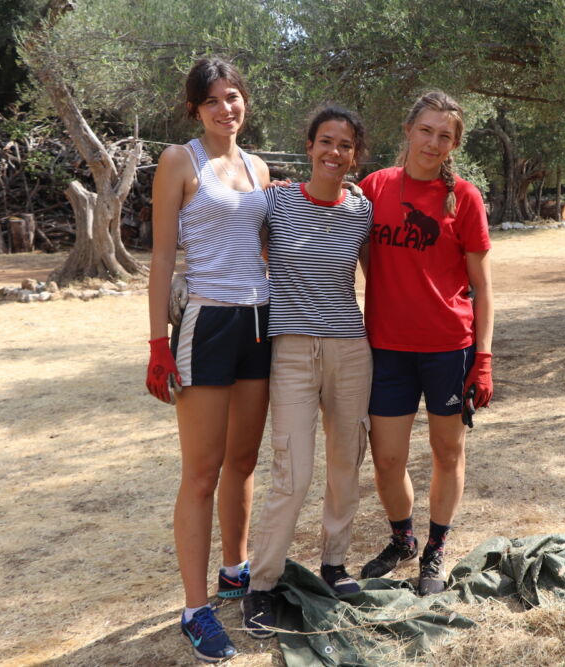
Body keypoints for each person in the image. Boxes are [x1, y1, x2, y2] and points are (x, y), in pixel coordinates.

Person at [146, 57, 271, 662]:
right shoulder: (179, 161)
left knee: (243, 462)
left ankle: (235, 574)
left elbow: (269, 245)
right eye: (214, 100)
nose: (227, 108)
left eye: (234, 96)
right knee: (202, 472)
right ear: (195, 109)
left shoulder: (258, 167)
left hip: (259, 323)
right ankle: (195, 610)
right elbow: (162, 258)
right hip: (207, 321)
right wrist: (157, 343)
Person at [240, 105, 374, 637]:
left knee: (346, 463)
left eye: (345, 145)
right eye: (325, 141)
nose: (333, 152)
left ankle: (335, 563)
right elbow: (234, 240)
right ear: (309, 146)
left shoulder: (361, 211)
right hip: (292, 351)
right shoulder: (276, 201)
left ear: (354, 156)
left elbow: (381, 276)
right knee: (291, 473)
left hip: (350, 349)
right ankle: (262, 584)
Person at [358, 91, 494, 595]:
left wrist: (483, 359)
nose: (433, 143)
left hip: (448, 348)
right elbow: (351, 242)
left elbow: (483, 287)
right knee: (387, 458)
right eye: (426, 131)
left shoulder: (466, 198)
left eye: (444, 135)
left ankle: (435, 548)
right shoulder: (375, 187)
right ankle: (403, 539)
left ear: (454, 143)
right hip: (387, 348)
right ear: (408, 131)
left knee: (447, 452)